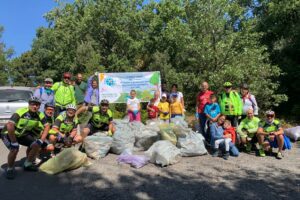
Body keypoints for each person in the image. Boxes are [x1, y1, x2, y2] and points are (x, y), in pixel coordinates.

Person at [0, 96, 51, 179]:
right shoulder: (21, 112)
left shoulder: (39, 115)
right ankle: (10, 168)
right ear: (29, 104)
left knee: (36, 144)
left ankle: (28, 164)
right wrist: (13, 141)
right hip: (8, 134)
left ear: (39, 106)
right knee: (14, 149)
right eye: (32, 104)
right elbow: (10, 125)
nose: (34, 106)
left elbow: (47, 126)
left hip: (22, 134)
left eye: (37, 105)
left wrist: (41, 140)